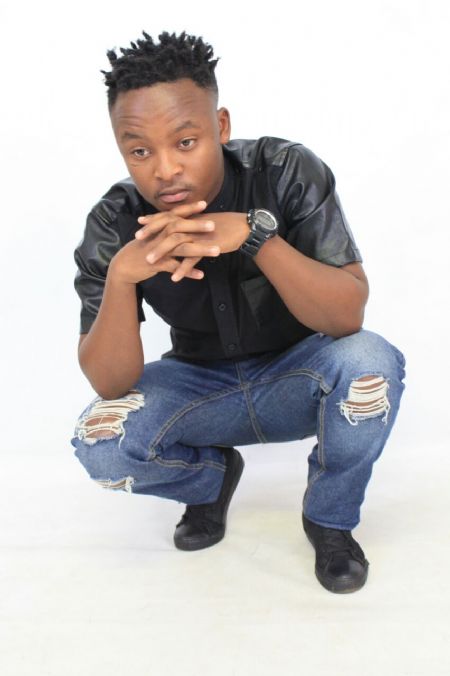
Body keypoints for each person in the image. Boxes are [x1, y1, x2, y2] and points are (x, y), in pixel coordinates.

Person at [71, 30, 406, 594]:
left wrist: (256, 238)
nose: (165, 170)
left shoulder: (285, 170)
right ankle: (210, 480)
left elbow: (347, 317)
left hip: (298, 374)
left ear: (220, 126)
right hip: (201, 389)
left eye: (185, 141)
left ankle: (329, 520)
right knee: (100, 442)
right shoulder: (113, 223)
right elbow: (110, 383)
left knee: (371, 362)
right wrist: (123, 277)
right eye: (140, 151)